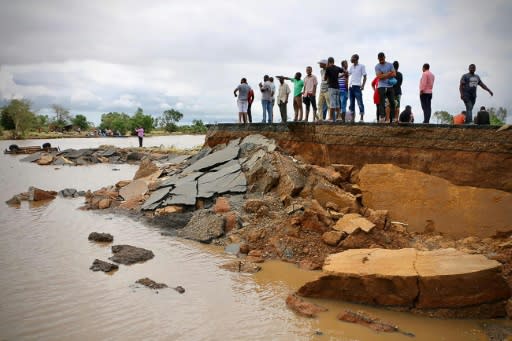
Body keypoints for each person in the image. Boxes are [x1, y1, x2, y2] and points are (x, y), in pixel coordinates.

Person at [375, 52, 396, 123]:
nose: (381, 60)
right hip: (381, 86)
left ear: (384, 57)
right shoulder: (377, 66)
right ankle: (382, 117)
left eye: (382, 58)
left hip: (390, 86)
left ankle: (393, 118)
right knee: (382, 102)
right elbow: (379, 77)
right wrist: (388, 73)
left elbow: (394, 74)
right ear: (378, 59)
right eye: (380, 59)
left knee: (392, 102)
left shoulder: (390, 64)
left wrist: (384, 75)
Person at [348, 54, 367, 122]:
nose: (351, 59)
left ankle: (361, 118)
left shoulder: (362, 66)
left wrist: (363, 85)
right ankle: (352, 119)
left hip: (357, 87)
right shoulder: (351, 67)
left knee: (360, 102)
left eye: (352, 58)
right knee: (351, 103)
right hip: (351, 87)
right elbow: (347, 74)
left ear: (356, 58)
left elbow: (365, 76)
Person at [325, 57, 344, 122]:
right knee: (337, 102)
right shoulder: (337, 68)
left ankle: (330, 118)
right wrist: (337, 77)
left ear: (328, 62)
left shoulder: (328, 68)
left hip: (331, 87)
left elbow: (325, 78)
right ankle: (339, 117)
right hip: (337, 87)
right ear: (333, 61)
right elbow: (344, 71)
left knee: (332, 103)